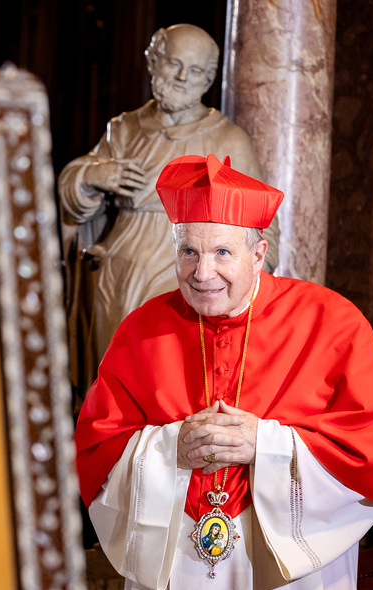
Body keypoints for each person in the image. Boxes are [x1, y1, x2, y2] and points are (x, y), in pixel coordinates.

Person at [74, 154, 373, 590]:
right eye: (188, 251)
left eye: (222, 253)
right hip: (177, 570)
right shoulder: (140, 331)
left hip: (288, 584)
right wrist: (169, 448)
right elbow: (95, 452)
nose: (202, 272)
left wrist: (267, 445)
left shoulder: (332, 324)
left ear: (259, 253)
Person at [59, 23, 280, 402]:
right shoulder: (124, 129)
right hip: (115, 275)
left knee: (169, 381)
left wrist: (240, 282)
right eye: (174, 64)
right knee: (113, 380)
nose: (182, 77)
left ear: (207, 79)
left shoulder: (227, 138)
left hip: (190, 273)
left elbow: (262, 224)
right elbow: (72, 193)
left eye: (195, 71)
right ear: (154, 63)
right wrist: (93, 176)